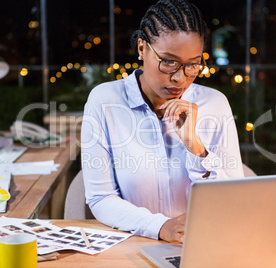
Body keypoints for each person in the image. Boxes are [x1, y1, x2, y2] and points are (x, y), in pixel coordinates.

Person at [80, 0, 244, 243]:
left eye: (192, 65)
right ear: (142, 48)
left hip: (203, 243)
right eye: (168, 61)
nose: (180, 78)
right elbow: (100, 198)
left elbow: (234, 198)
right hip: (134, 245)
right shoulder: (105, 101)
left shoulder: (215, 103)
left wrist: (195, 146)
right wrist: (159, 227)